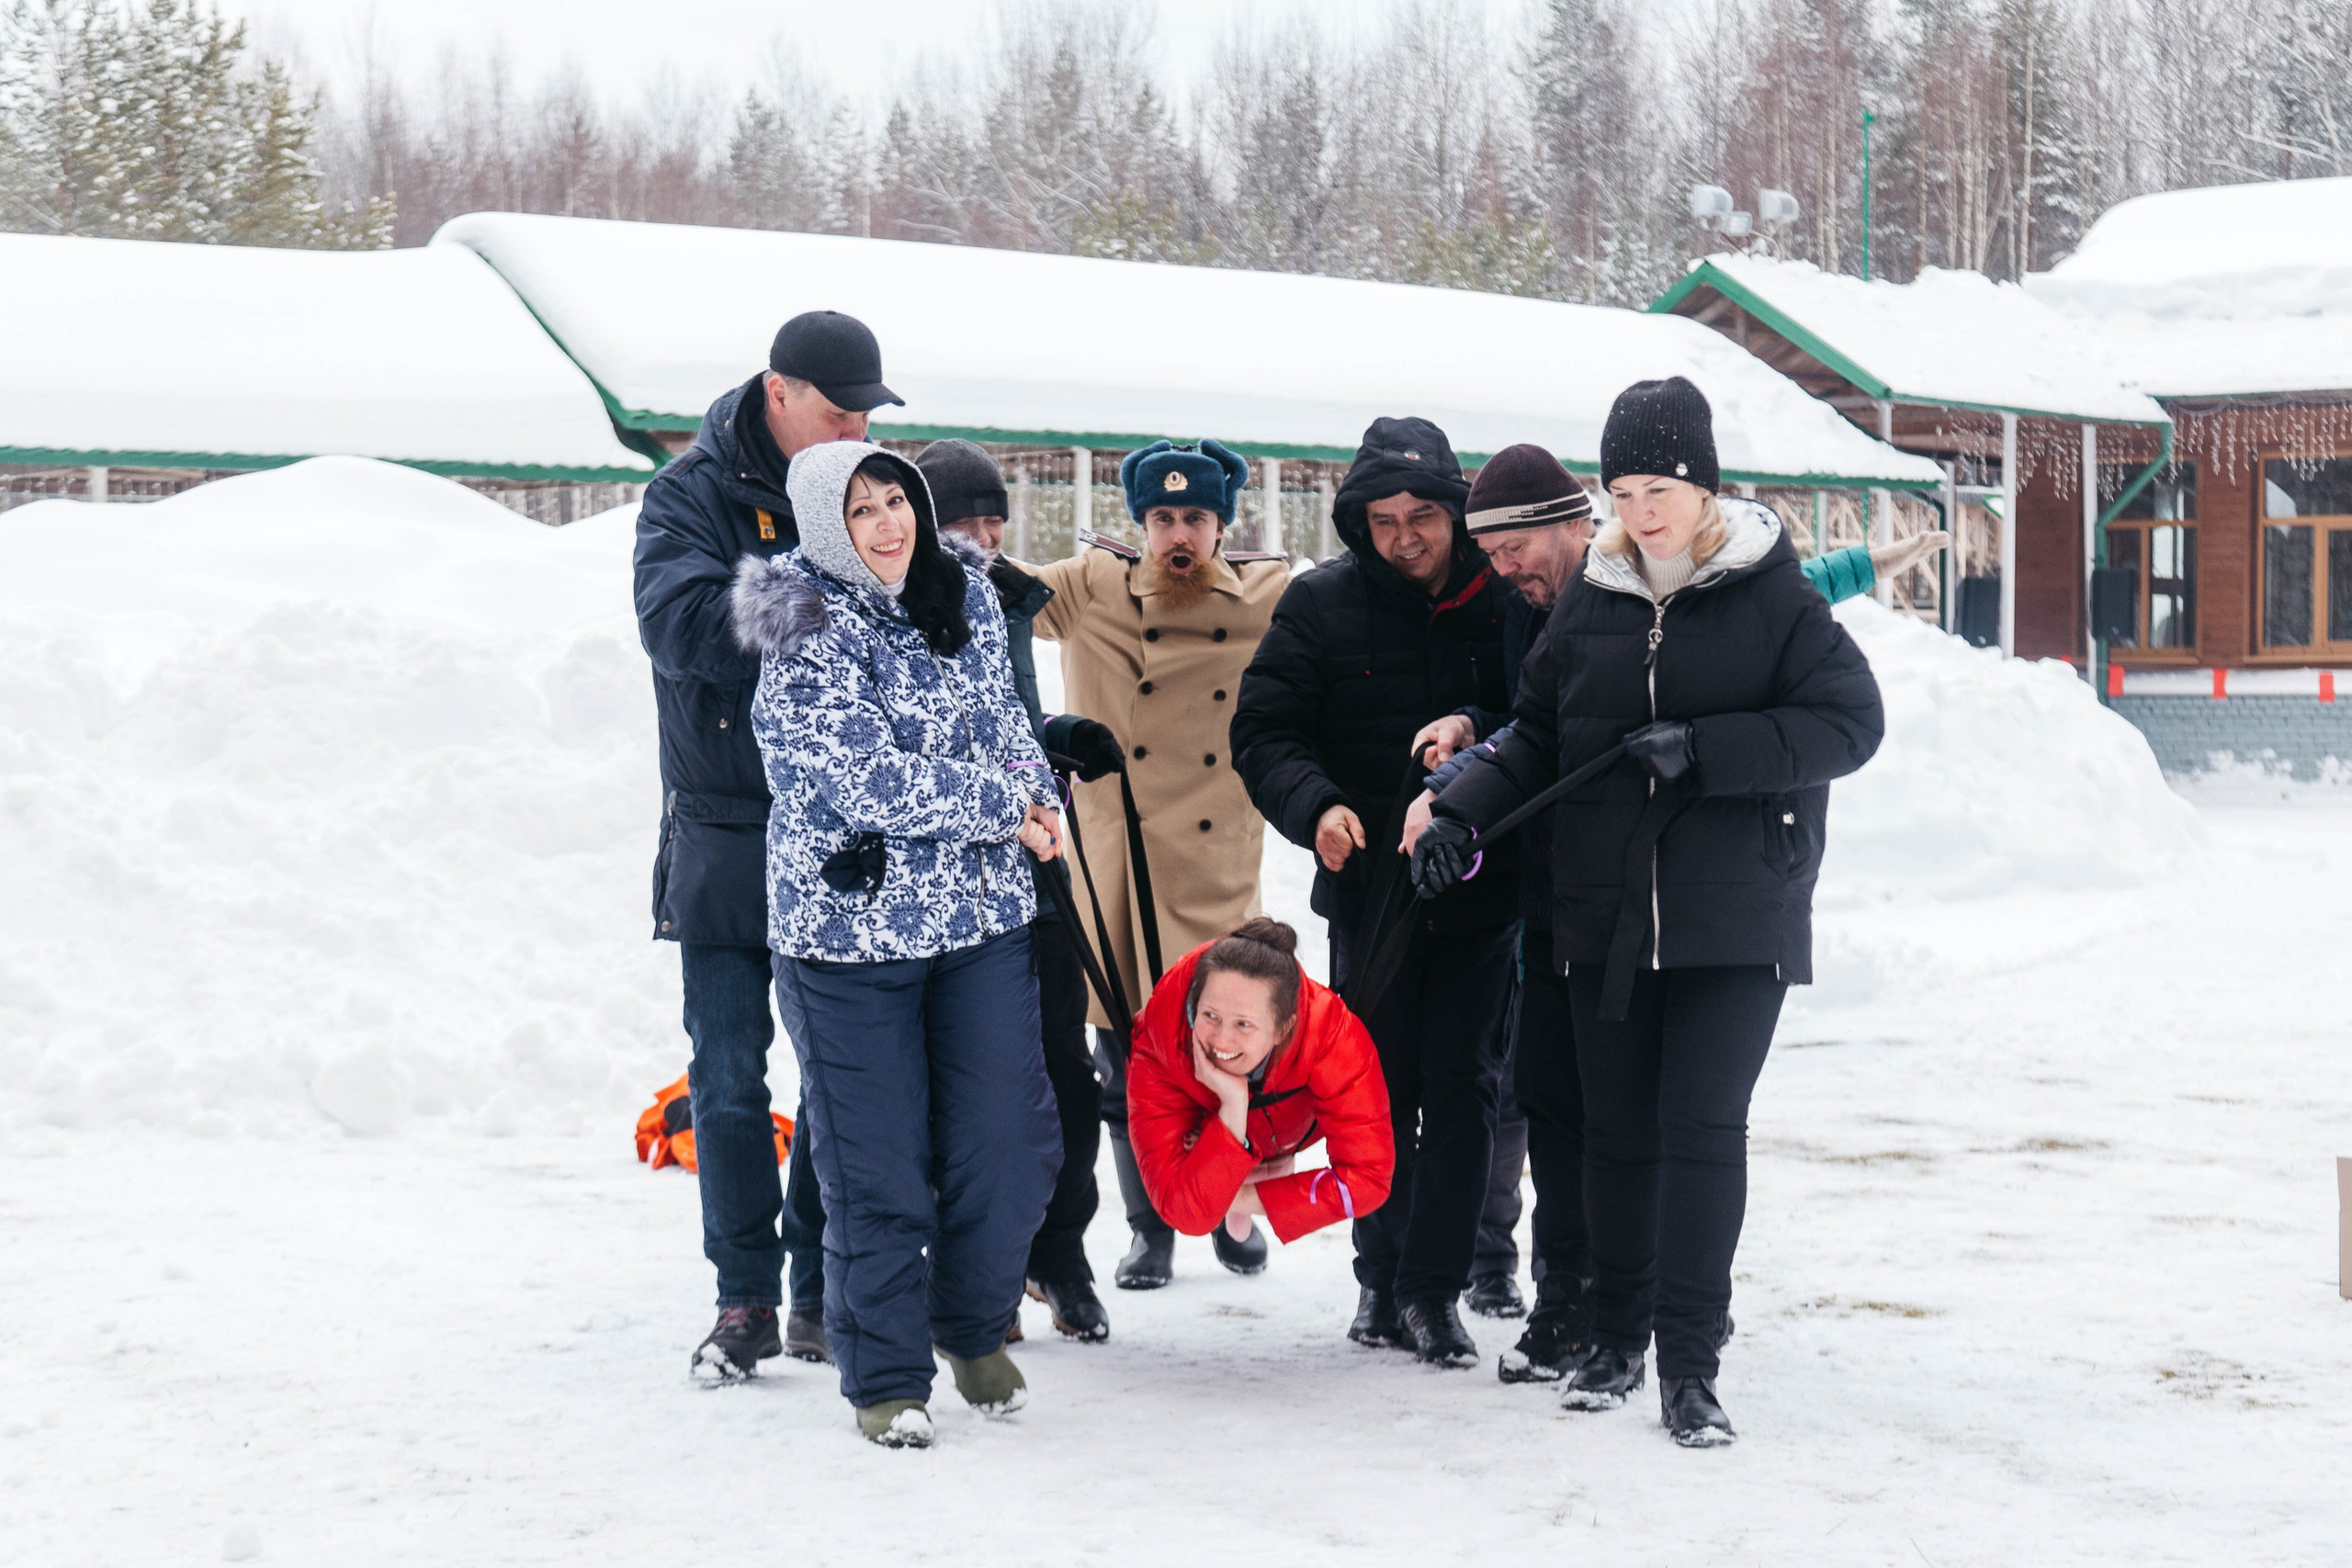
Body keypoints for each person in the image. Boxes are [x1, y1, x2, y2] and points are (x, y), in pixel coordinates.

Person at [1405, 446, 1943, 1379]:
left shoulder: (1752, 591)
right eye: (1627, 493)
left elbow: (1835, 703)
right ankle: (1601, 1324)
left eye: (1659, 490)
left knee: (1691, 1128)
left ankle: (1684, 1343)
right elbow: (1536, 730)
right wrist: (1457, 808)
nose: (1643, 510)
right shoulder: (1584, 602)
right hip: (1587, 906)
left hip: (1720, 907)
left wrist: (1704, 749)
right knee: (1588, 1124)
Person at [730, 440, 1065, 1450]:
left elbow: (1010, 721)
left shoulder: (957, 598)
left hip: (981, 924)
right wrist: (1007, 806)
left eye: (897, 501)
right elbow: (867, 781)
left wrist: (1041, 793)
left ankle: (969, 1328)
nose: (887, 524)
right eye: (862, 509)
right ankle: (884, 1375)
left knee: (1009, 1145)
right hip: (850, 942)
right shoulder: (804, 631)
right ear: (826, 527)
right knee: (876, 1168)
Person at [634, 310, 895, 1382]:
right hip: (729, 829)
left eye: (866, 418)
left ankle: (812, 1291)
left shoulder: (861, 491)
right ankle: (741, 1297)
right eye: (836, 412)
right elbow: (681, 622)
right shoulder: (685, 495)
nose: (854, 434)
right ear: (777, 392)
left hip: (837, 830)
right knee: (731, 1078)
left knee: (841, 1077)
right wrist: (828, 604)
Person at [1230, 416, 1520, 1370]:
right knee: (1374, 1095)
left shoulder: (1502, 598)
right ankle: (1378, 1279)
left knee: (1464, 1085)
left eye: (1423, 515)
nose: (1405, 536)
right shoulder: (1321, 605)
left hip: (1479, 889)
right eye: (1384, 518)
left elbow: (1542, 707)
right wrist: (1313, 809)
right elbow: (1264, 732)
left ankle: (1436, 1292)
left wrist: (1475, 726)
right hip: (1368, 893)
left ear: (1456, 511)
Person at [1026, 439, 1290, 1290]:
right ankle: (1150, 1228)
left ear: (1223, 525)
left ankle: (1223, 1207)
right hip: (1118, 858)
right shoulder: (1089, 585)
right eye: (1165, 518)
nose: (1181, 534)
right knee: (1127, 1059)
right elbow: (984, 600)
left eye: (1198, 519)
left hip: (1214, 863)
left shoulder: (1266, 593)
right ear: (1140, 523)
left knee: (1227, 1054)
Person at [914, 437, 1123, 1343]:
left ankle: (1058, 1250)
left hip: (1037, 876)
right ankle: (973, 1271)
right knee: (968, 1090)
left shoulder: (1008, 602)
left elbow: (999, 721)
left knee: (1066, 1077)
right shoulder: (904, 608)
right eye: (965, 520)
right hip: (952, 887)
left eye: (996, 517)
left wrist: (1055, 733)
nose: (987, 534)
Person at [1125, 919, 1394, 1255]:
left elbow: (1369, 1178)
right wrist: (1232, 1108)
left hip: (1294, 1126)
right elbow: (1185, 1211)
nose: (1222, 1039)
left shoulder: (1331, 1033)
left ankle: (1258, 1167)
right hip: (1209, 1122)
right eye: (1209, 1016)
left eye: (1244, 1024)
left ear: (1284, 1028)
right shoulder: (1160, 1038)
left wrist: (1240, 1196)